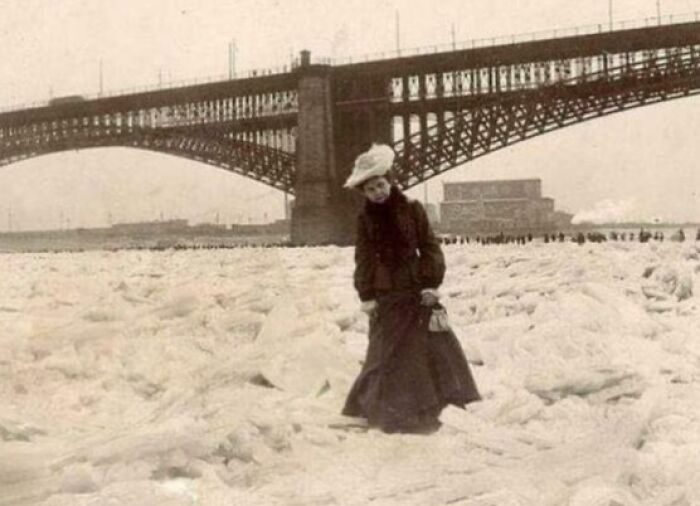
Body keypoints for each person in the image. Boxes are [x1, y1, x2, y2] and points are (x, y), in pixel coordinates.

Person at [341, 144, 481, 434]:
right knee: (384, 350)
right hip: (386, 292)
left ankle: (431, 408)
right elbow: (363, 258)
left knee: (424, 349)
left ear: (390, 182)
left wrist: (431, 283)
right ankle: (386, 410)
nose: (378, 192)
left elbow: (429, 246)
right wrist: (366, 295)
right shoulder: (364, 220)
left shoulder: (414, 210)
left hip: (415, 288)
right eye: (371, 189)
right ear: (364, 193)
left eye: (380, 185)